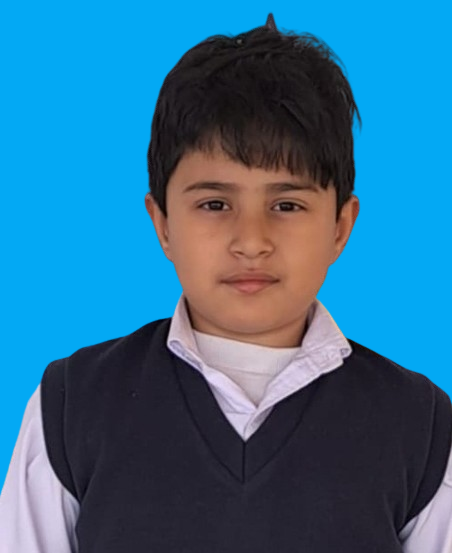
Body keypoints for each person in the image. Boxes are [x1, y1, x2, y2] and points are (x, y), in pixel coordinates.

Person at [1, 13, 452, 553]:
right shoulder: (71, 408)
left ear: (341, 226)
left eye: (287, 205)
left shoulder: (419, 428)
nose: (251, 241)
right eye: (215, 204)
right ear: (162, 223)